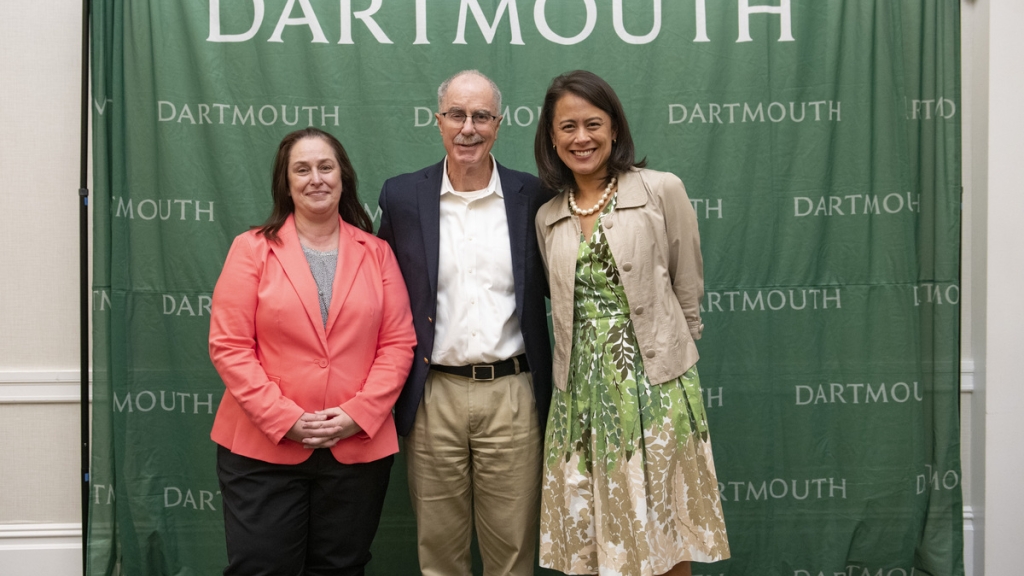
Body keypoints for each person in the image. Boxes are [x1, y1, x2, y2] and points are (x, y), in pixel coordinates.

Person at [533, 70, 730, 576]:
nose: (582, 138)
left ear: (615, 128)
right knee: (596, 534)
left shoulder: (662, 190)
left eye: (593, 124)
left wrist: (670, 368)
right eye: (568, 127)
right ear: (552, 138)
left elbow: (688, 288)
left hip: (656, 387)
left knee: (664, 533)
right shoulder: (548, 216)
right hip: (579, 393)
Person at [208, 127, 416, 576]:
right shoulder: (251, 250)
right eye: (301, 169)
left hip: (355, 448)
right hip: (262, 452)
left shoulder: (377, 253)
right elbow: (230, 346)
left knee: (342, 568)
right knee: (261, 568)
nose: (315, 178)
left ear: (343, 177)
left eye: (326, 166)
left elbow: (398, 344)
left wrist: (357, 415)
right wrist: (286, 420)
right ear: (286, 182)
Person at [377, 70, 554, 576]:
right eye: (457, 114)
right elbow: (383, 297)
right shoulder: (403, 197)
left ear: (499, 124)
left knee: (514, 551)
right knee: (439, 552)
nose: (468, 128)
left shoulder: (534, 196)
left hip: (513, 393)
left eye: (481, 116)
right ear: (438, 121)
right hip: (434, 394)